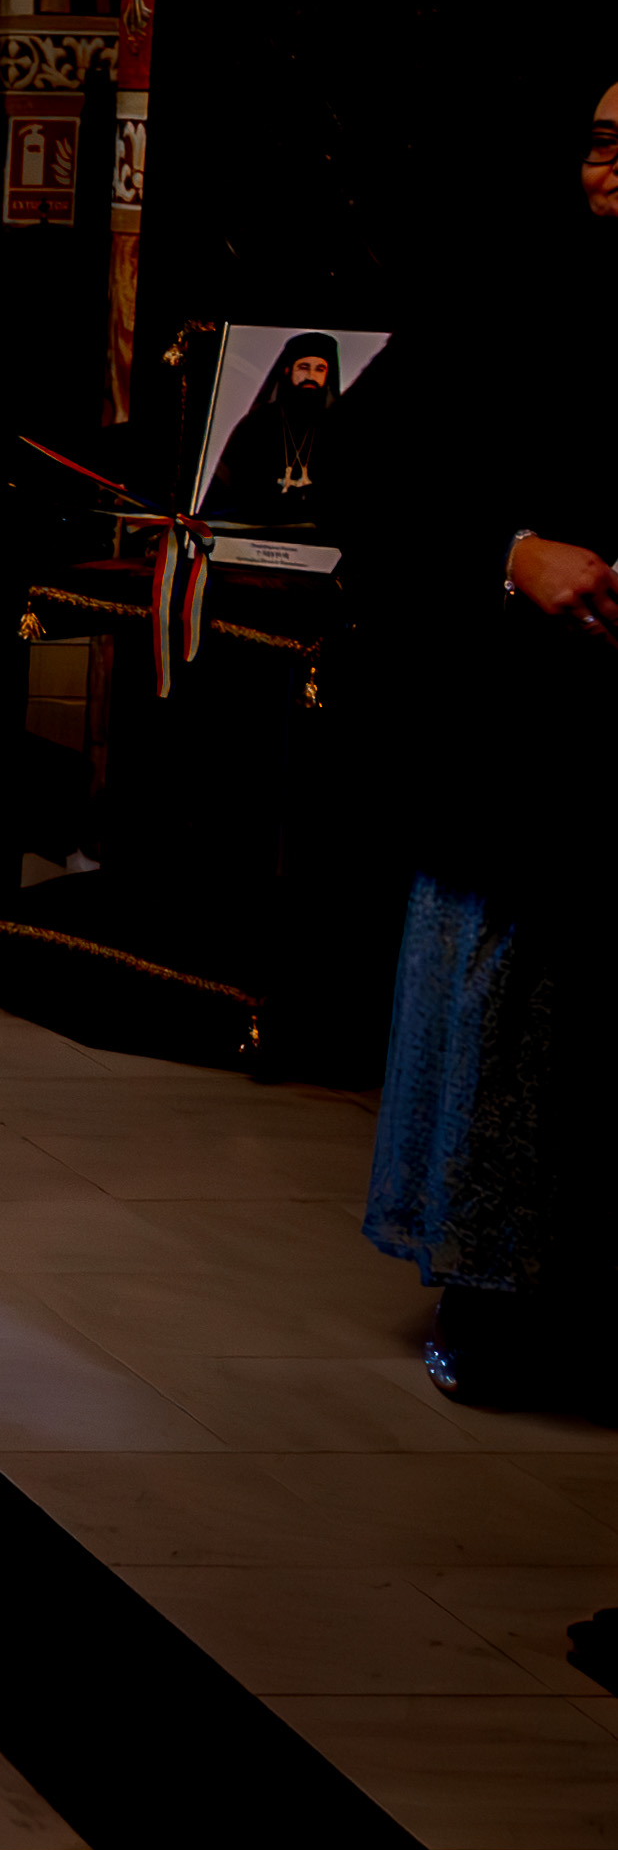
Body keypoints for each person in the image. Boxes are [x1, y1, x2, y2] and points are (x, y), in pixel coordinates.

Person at [341, 77, 613, 1416]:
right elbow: (375, 459)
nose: (611, 163)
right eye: (602, 138)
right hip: (521, 728)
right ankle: (488, 1292)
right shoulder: (510, 292)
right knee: (508, 1012)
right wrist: (512, 550)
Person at [198, 331, 343, 524]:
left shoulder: (338, 427)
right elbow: (225, 491)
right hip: (257, 531)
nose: (311, 376)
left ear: (327, 375)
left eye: (320, 369)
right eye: (303, 367)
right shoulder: (258, 422)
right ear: (287, 370)